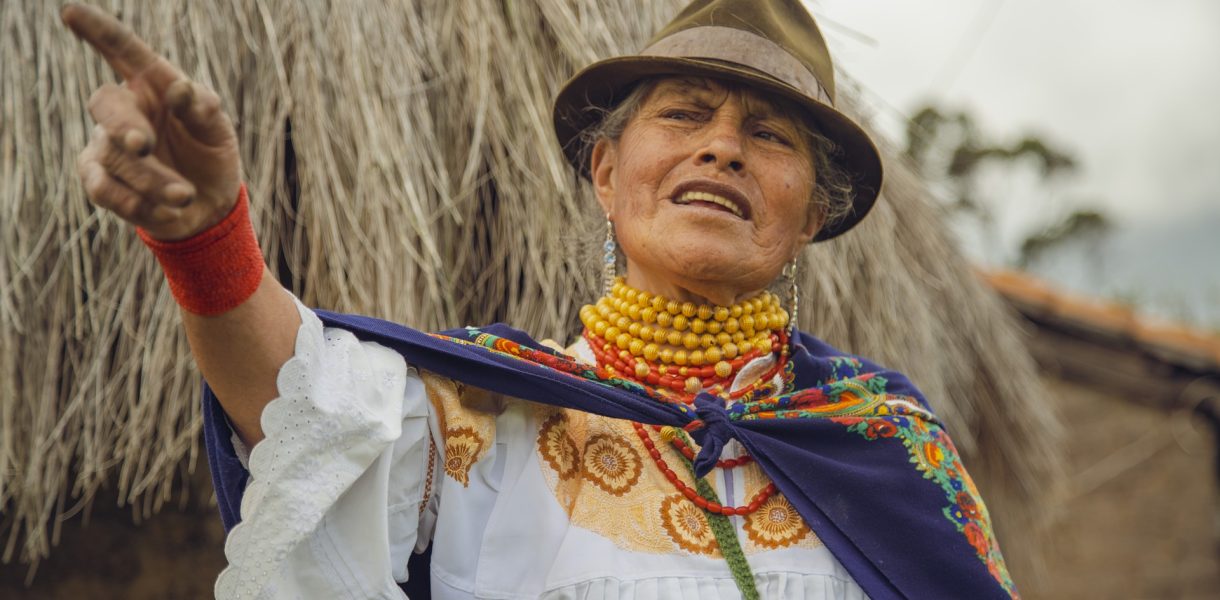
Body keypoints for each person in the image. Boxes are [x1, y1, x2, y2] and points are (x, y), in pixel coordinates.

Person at [63, 0, 1018, 598]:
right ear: (608, 173)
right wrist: (207, 238)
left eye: (769, 136)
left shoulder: (887, 443)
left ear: (809, 214)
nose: (722, 145)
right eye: (684, 114)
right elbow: (304, 408)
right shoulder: (490, 418)